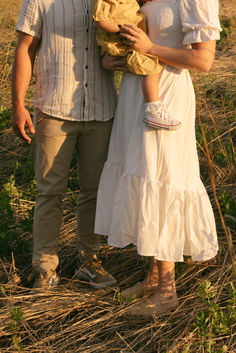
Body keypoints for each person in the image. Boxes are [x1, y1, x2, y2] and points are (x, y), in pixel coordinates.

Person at [95, 0, 222, 315]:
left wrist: (150, 47)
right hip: (137, 93)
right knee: (144, 175)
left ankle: (167, 293)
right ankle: (153, 278)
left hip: (167, 96)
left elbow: (204, 60)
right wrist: (121, 60)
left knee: (162, 177)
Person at [11, 0, 120, 290]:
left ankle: (89, 260)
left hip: (101, 109)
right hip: (54, 108)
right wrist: (18, 105)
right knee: (49, 191)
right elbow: (25, 48)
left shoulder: (110, 0)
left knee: (94, 191)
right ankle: (45, 267)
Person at [93, 0, 181, 131]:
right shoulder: (106, 2)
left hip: (130, 42)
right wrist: (120, 30)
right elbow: (99, 20)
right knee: (151, 66)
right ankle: (152, 108)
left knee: (151, 65)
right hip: (122, 44)